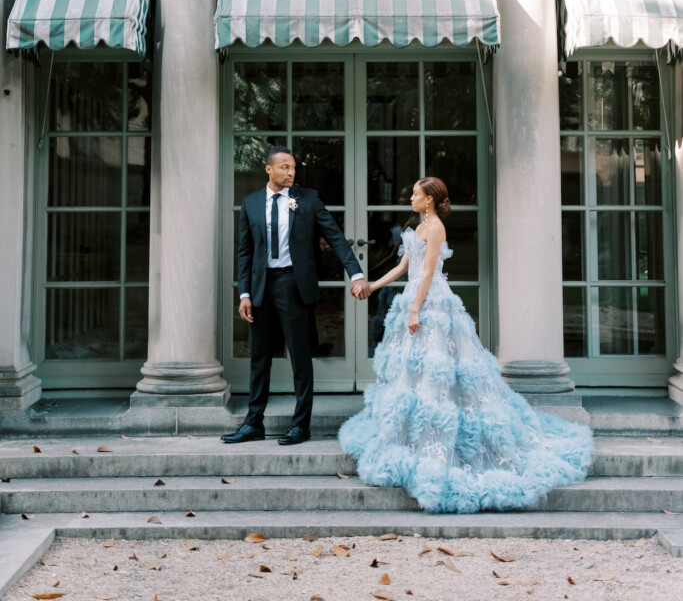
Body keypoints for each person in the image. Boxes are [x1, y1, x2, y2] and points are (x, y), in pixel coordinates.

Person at [339, 176, 594, 513]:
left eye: (415, 193)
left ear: (429, 199)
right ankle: (413, 435)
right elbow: (404, 266)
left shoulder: (436, 229)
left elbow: (428, 273)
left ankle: (441, 437)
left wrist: (415, 308)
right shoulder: (418, 226)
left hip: (431, 304)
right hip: (413, 299)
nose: (410, 197)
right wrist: (372, 285)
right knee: (411, 372)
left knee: (439, 369)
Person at [222, 147, 370, 446]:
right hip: (262, 286)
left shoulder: (308, 199)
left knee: (300, 358)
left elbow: (336, 237)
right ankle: (253, 424)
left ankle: (300, 425)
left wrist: (356, 273)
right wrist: (245, 293)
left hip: (293, 284)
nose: (291, 172)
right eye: (285, 167)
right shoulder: (250, 203)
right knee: (259, 359)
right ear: (269, 170)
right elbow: (246, 252)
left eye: (293, 167)